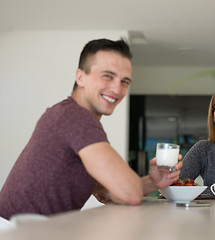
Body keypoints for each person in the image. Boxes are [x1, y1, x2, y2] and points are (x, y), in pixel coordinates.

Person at [0, 38, 182, 220]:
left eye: (125, 81)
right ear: (80, 77)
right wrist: (133, 187)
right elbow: (130, 193)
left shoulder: (70, 115)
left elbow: (108, 193)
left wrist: (153, 181)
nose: (117, 89)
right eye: (107, 76)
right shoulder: (76, 117)